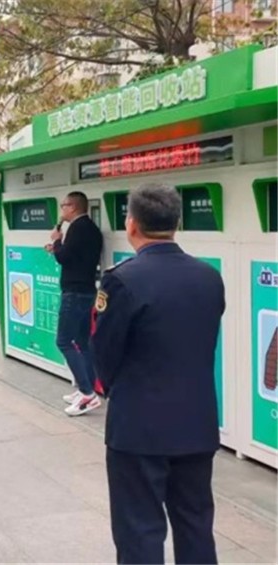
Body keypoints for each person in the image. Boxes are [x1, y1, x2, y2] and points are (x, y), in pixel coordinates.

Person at [91, 183, 225, 564]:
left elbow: (104, 355)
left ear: (131, 224)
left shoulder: (121, 280)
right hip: (196, 425)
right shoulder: (208, 277)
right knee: (196, 526)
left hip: (138, 430)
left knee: (140, 532)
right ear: (177, 223)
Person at [46, 191, 104, 416]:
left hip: (74, 292)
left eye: (63, 205)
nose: (62, 210)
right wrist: (58, 247)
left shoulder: (77, 229)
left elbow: (65, 258)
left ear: (72, 207)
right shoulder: (91, 229)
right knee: (82, 341)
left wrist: (56, 241)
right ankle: (86, 388)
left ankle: (87, 393)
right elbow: (74, 256)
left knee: (64, 341)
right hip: (87, 290)